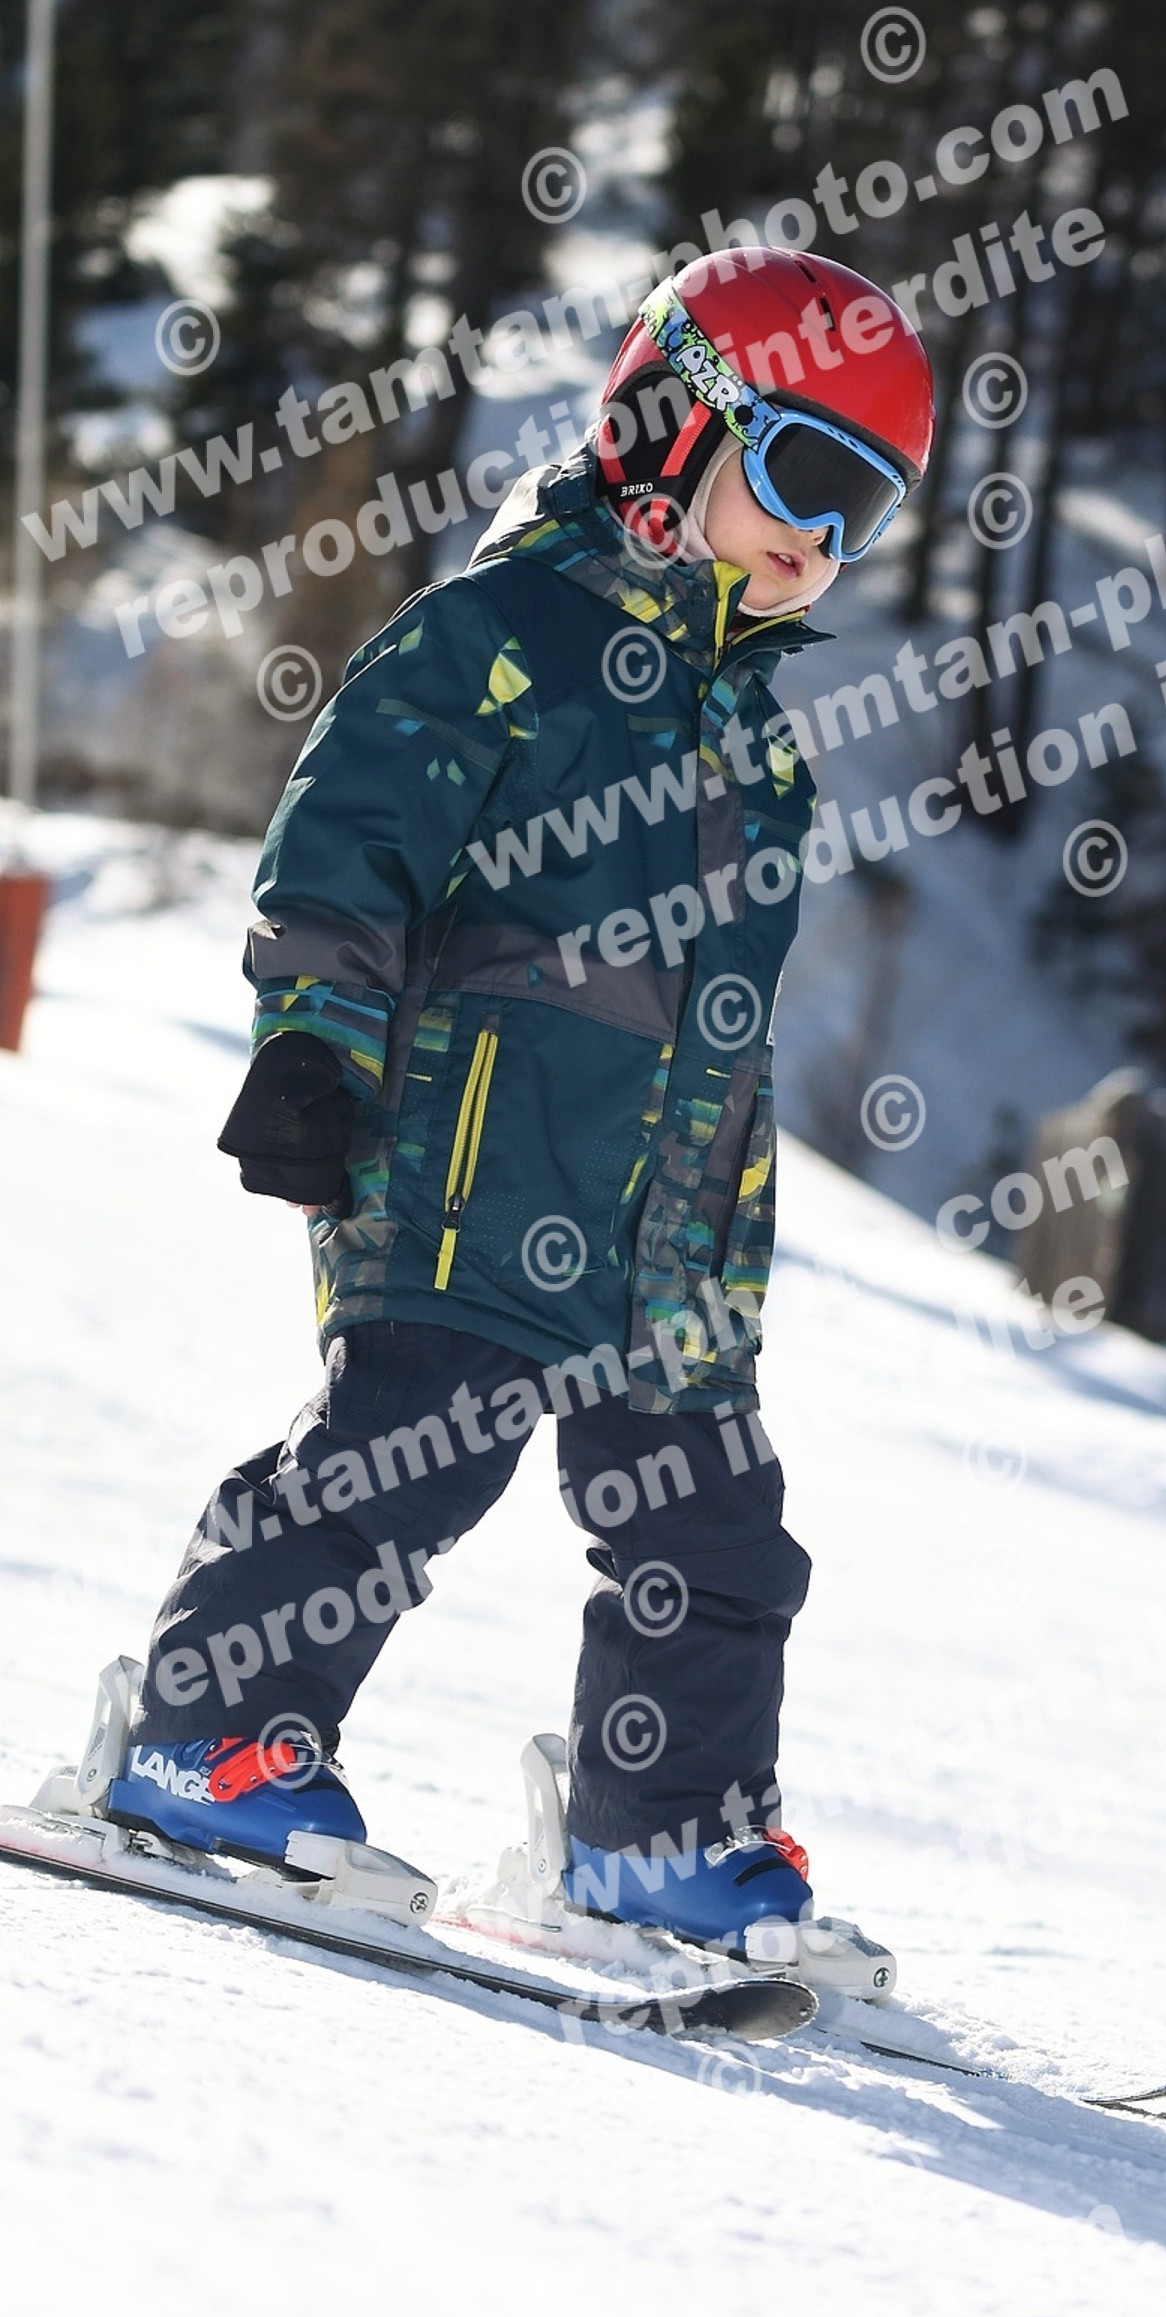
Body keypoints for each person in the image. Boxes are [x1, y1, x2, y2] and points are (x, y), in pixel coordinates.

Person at [105, 247, 935, 1954]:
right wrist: (315, 1044)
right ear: (671, 420)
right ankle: (207, 1738)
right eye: (803, 473)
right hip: (468, 1162)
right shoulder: (501, 638)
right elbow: (350, 843)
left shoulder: (757, 746)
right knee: (402, 1460)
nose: (820, 539)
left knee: (715, 1533)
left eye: (863, 512)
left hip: (670, 1243)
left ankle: (662, 1840)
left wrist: (718, 1216)